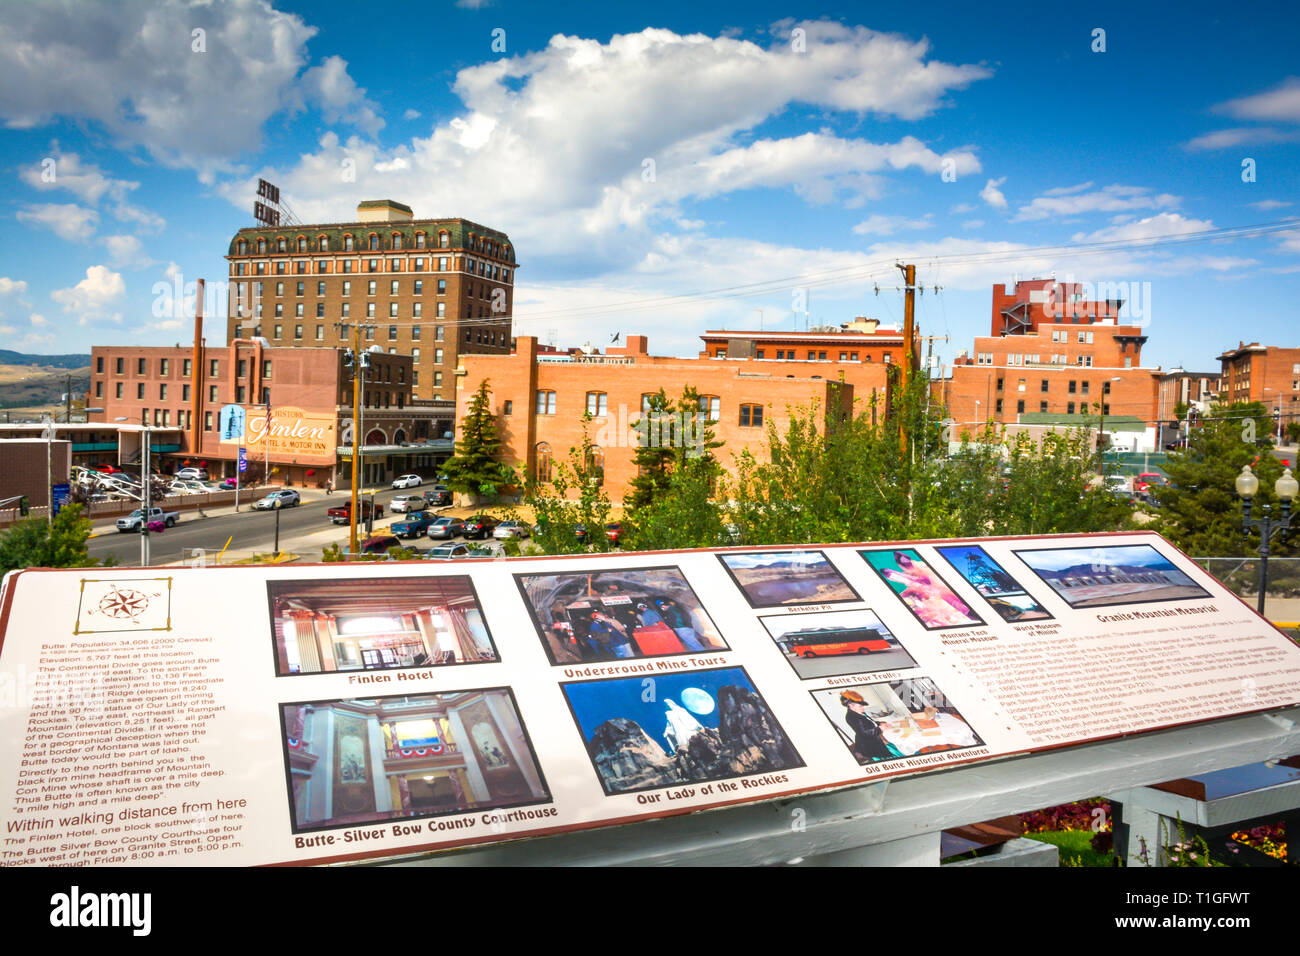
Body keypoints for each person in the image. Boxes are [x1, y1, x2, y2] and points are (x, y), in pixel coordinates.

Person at [841, 690, 893, 763]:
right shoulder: (852, 717)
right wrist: (880, 729)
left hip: (874, 738)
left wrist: (880, 723)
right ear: (851, 706)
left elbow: (869, 723)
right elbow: (864, 733)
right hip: (869, 744)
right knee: (887, 759)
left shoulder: (859, 712)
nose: (863, 708)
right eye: (860, 706)